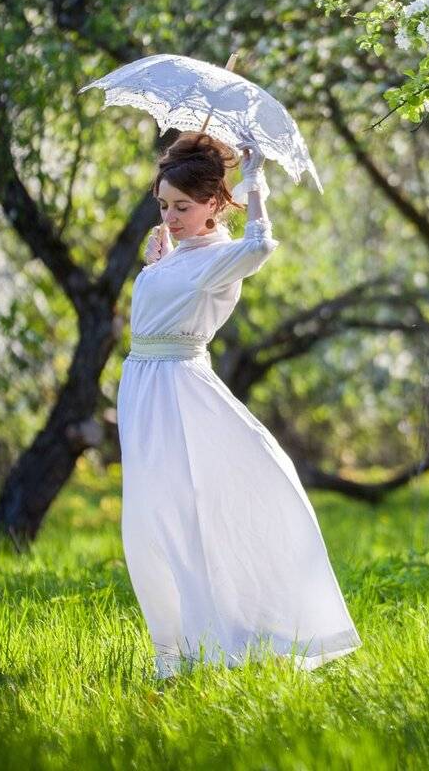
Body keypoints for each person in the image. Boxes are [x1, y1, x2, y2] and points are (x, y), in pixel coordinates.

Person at [116, 131, 361, 678]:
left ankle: (202, 643)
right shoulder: (171, 255)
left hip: (179, 390)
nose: (171, 215)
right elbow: (156, 306)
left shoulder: (219, 258)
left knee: (179, 516)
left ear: (213, 205)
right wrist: (153, 264)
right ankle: (170, 651)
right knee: (145, 522)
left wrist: (255, 183)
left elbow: (262, 247)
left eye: (183, 206)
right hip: (142, 388)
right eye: (164, 205)